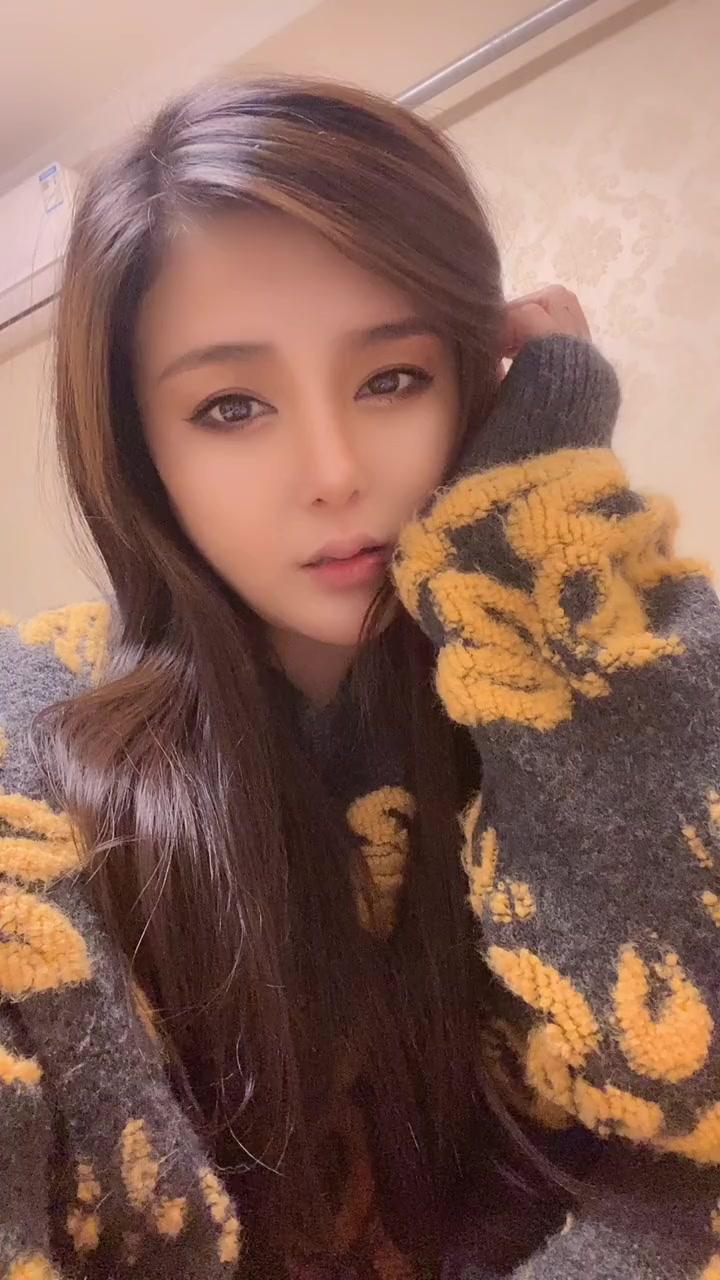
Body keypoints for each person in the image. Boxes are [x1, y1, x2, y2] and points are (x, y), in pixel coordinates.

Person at [1, 75, 719, 1280]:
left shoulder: (601, 676)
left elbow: (695, 1092)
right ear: (138, 447)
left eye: (392, 379)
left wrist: (537, 523)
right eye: (233, 405)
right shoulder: (36, 747)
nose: (334, 470)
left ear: (474, 383)